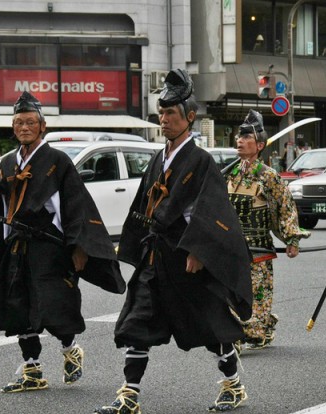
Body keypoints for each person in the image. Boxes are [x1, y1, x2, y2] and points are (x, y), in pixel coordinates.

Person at [95, 69, 253, 414]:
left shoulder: (201, 160)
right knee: (138, 321)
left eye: (170, 113)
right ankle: (129, 395)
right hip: (157, 255)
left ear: (190, 117)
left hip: (185, 255)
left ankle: (232, 384)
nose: (163, 119)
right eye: (161, 113)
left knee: (210, 326)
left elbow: (214, 210)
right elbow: (144, 202)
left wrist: (198, 249)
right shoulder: (158, 157)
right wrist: (132, 243)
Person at [0, 91, 125, 393]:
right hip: (17, 245)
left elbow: (77, 206)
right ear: (13, 127)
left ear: (42, 127)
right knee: (18, 305)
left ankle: (71, 349)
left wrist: (79, 247)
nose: (25, 127)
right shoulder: (6, 165)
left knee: (54, 304)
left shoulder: (57, 161)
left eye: (31, 122)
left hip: (49, 245)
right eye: (19, 123)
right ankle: (32, 369)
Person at [227, 109, 310, 352]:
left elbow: (285, 207)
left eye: (245, 138)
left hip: (257, 246)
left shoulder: (269, 176)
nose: (239, 141)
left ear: (260, 145)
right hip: (233, 245)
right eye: (238, 137)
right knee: (230, 291)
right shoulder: (231, 172)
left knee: (256, 292)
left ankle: (255, 332)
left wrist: (291, 238)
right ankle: (237, 331)